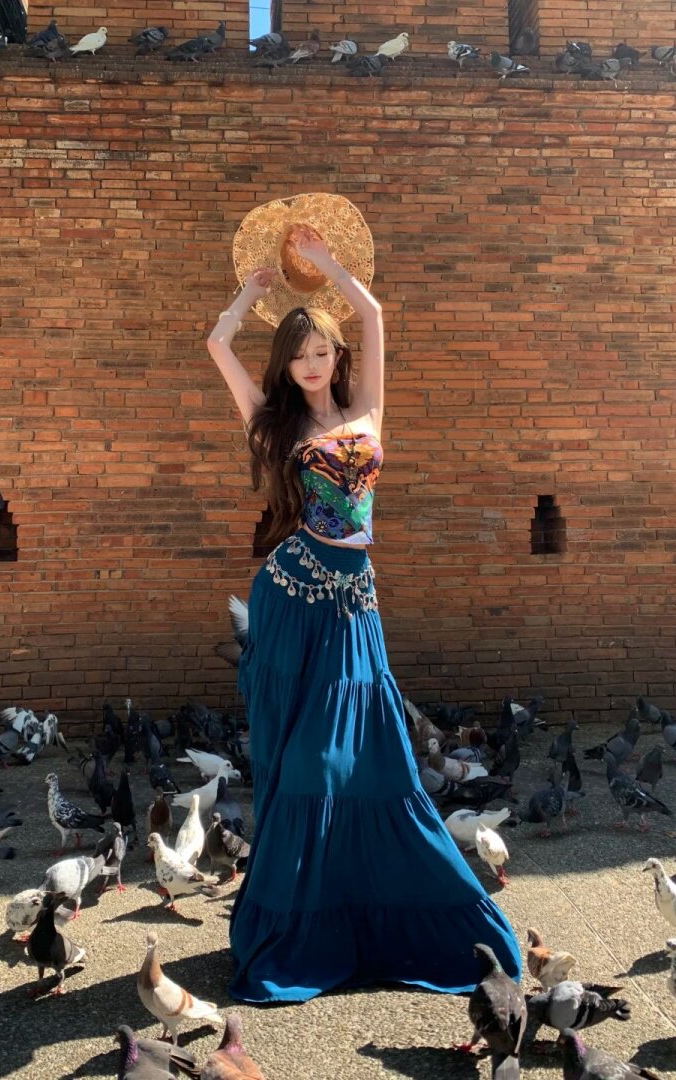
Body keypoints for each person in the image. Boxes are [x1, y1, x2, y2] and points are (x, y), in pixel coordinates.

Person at [207, 216, 522, 1003]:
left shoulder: (367, 410)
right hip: (294, 595)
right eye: (301, 356)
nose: (313, 364)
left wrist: (328, 264)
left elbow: (374, 315)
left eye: (323, 351)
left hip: (355, 599)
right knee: (309, 762)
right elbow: (216, 346)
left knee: (376, 761)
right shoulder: (274, 422)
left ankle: (392, 913)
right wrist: (247, 297)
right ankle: (298, 921)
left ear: (337, 356)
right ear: (287, 366)